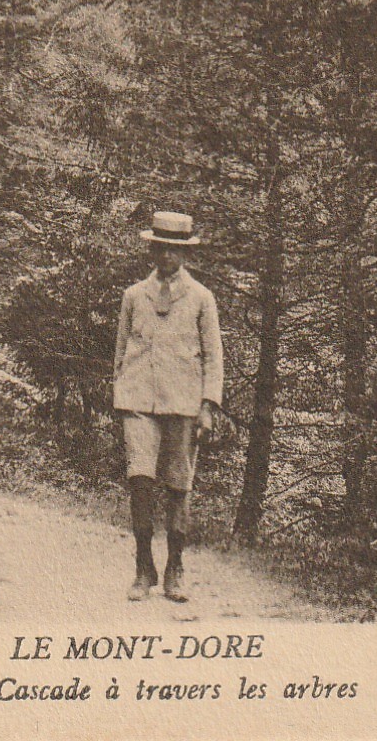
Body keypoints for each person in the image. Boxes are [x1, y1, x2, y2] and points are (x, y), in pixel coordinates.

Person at [113, 210, 223, 602]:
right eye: (161, 249)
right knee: (140, 482)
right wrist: (121, 397)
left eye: (174, 250)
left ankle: (176, 567)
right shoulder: (133, 296)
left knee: (178, 485)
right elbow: (121, 351)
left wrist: (208, 406)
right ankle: (144, 568)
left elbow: (213, 357)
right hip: (139, 401)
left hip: (183, 405)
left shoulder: (201, 299)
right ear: (153, 250)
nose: (166, 258)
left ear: (185, 254)